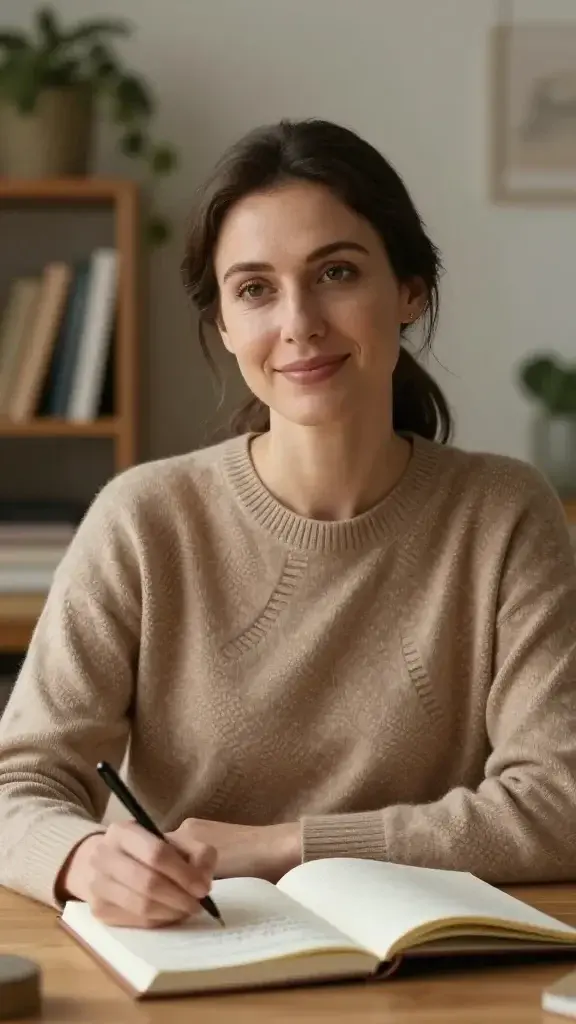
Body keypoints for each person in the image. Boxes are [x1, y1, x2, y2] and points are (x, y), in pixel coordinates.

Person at [1, 119, 576, 932]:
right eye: (255, 289)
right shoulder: (143, 520)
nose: (299, 321)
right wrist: (82, 858)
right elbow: (17, 786)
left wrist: (282, 846)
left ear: (411, 289)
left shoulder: (503, 513)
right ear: (226, 325)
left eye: (335, 272)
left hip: (427, 976)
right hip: (193, 955)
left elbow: (559, 803)